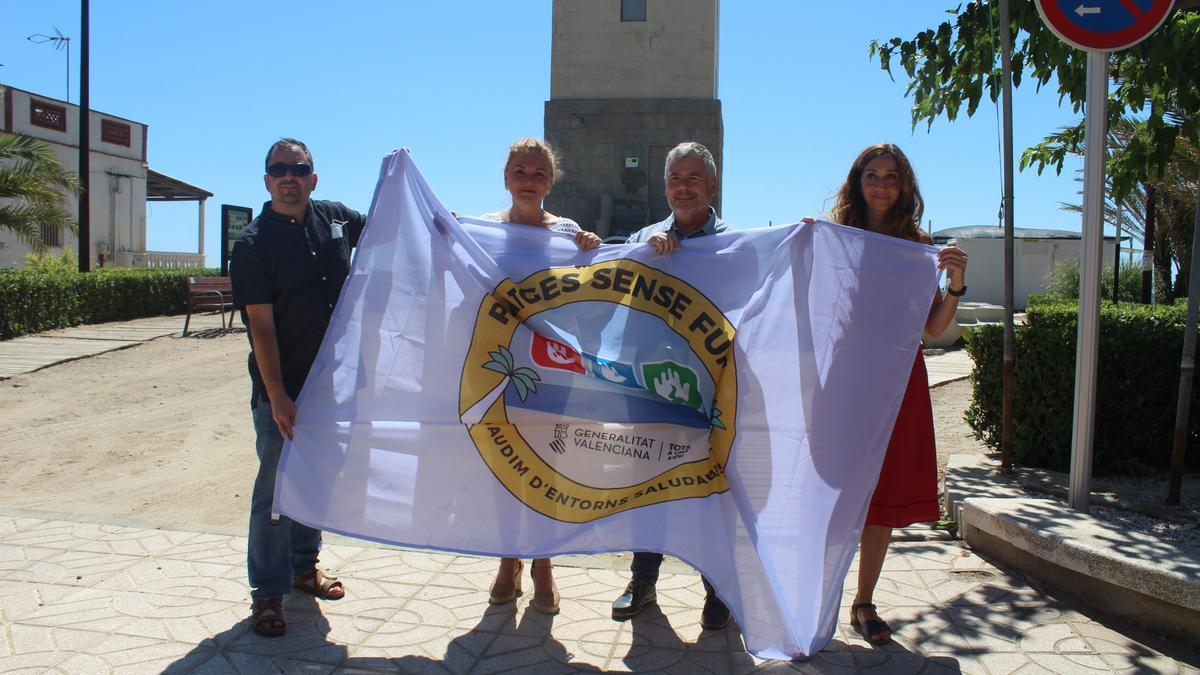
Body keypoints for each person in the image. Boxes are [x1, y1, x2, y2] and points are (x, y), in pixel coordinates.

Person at [825, 143, 968, 645]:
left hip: (898, 379)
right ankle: (815, 596)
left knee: (881, 494)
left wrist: (956, 282)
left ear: (905, 184)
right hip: (845, 377)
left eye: (891, 176)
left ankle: (863, 602)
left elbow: (934, 327)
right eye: (872, 175)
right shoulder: (836, 238)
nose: (881, 185)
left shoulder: (917, 244)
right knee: (831, 489)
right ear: (857, 182)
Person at [231, 138, 368, 637]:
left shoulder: (334, 218)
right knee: (275, 490)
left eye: (298, 168)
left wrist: (444, 222)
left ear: (313, 177)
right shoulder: (253, 243)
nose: (289, 176)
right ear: (267, 180)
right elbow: (260, 327)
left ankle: (303, 568)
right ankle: (268, 593)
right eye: (279, 169)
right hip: (284, 388)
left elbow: (392, 227)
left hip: (334, 386)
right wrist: (278, 397)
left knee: (315, 479)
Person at [610, 141, 733, 630]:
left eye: (693, 178)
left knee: (710, 492)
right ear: (665, 188)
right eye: (675, 179)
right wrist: (645, 257)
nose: (684, 188)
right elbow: (608, 279)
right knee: (648, 488)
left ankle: (719, 590)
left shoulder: (734, 244)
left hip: (711, 390)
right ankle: (642, 582)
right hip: (648, 386)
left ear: (712, 186)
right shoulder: (644, 238)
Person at [480, 137, 601, 615]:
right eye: (520, 171)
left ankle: (544, 564)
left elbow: (590, 286)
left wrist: (591, 248)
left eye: (538, 173)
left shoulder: (568, 232)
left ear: (550, 182)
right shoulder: (484, 229)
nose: (528, 181)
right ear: (505, 178)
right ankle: (508, 560)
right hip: (498, 368)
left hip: (552, 369)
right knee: (504, 467)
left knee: (547, 468)